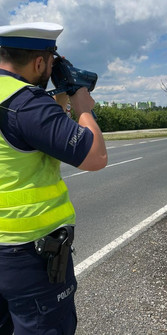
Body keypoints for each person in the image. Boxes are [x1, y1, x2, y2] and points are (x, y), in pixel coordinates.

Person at [0, 22, 107, 334]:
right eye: (51, 61)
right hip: (26, 256)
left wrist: (55, 94)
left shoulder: (20, 103)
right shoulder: (25, 103)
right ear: (38, 62)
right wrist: (82, 106)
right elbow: (95, 158)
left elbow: (44, 135)